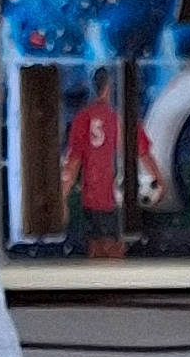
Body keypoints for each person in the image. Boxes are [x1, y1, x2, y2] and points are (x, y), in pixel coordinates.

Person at [60, 68, 163, 258]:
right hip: (115, 199)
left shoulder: (83, 118)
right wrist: (159, 181)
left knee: (96, 247)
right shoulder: (122, 119)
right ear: (109, 87)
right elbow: (143, 153)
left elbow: (73, 162)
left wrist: (63, 195)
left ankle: (96, 285)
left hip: (91, 199)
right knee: (114, 250)